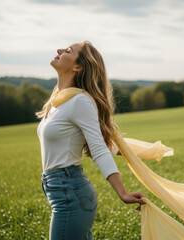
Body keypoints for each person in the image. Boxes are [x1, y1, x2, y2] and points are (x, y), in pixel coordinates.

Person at [36, 40, 146, 240]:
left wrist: (122, 192)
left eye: (68, 50)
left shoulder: (81, 101)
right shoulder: (58, 100)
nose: (59, 50)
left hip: (71, 194)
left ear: (78, 66)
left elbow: (98, 148)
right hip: (61, 190)